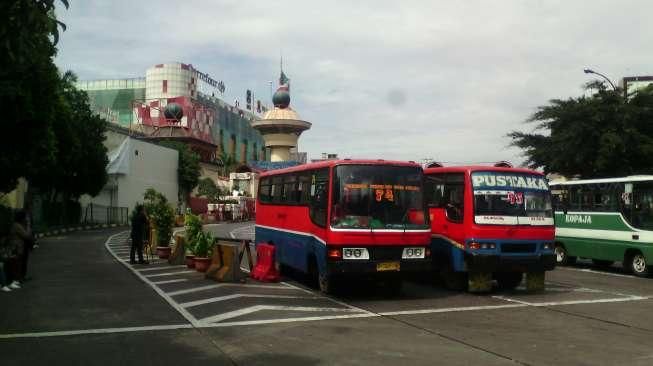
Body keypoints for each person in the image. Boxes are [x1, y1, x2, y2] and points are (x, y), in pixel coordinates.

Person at [7, 210, 33, 285]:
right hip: (17, 247)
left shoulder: (19, 225)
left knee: (21, 263)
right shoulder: (17, 226)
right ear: (21, 218)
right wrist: (28, 225)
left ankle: (20, 277)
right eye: (25, 217)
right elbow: (27, 235)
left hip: (20, 246)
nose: (26, 218)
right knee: (18, 263)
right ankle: (18, 278)